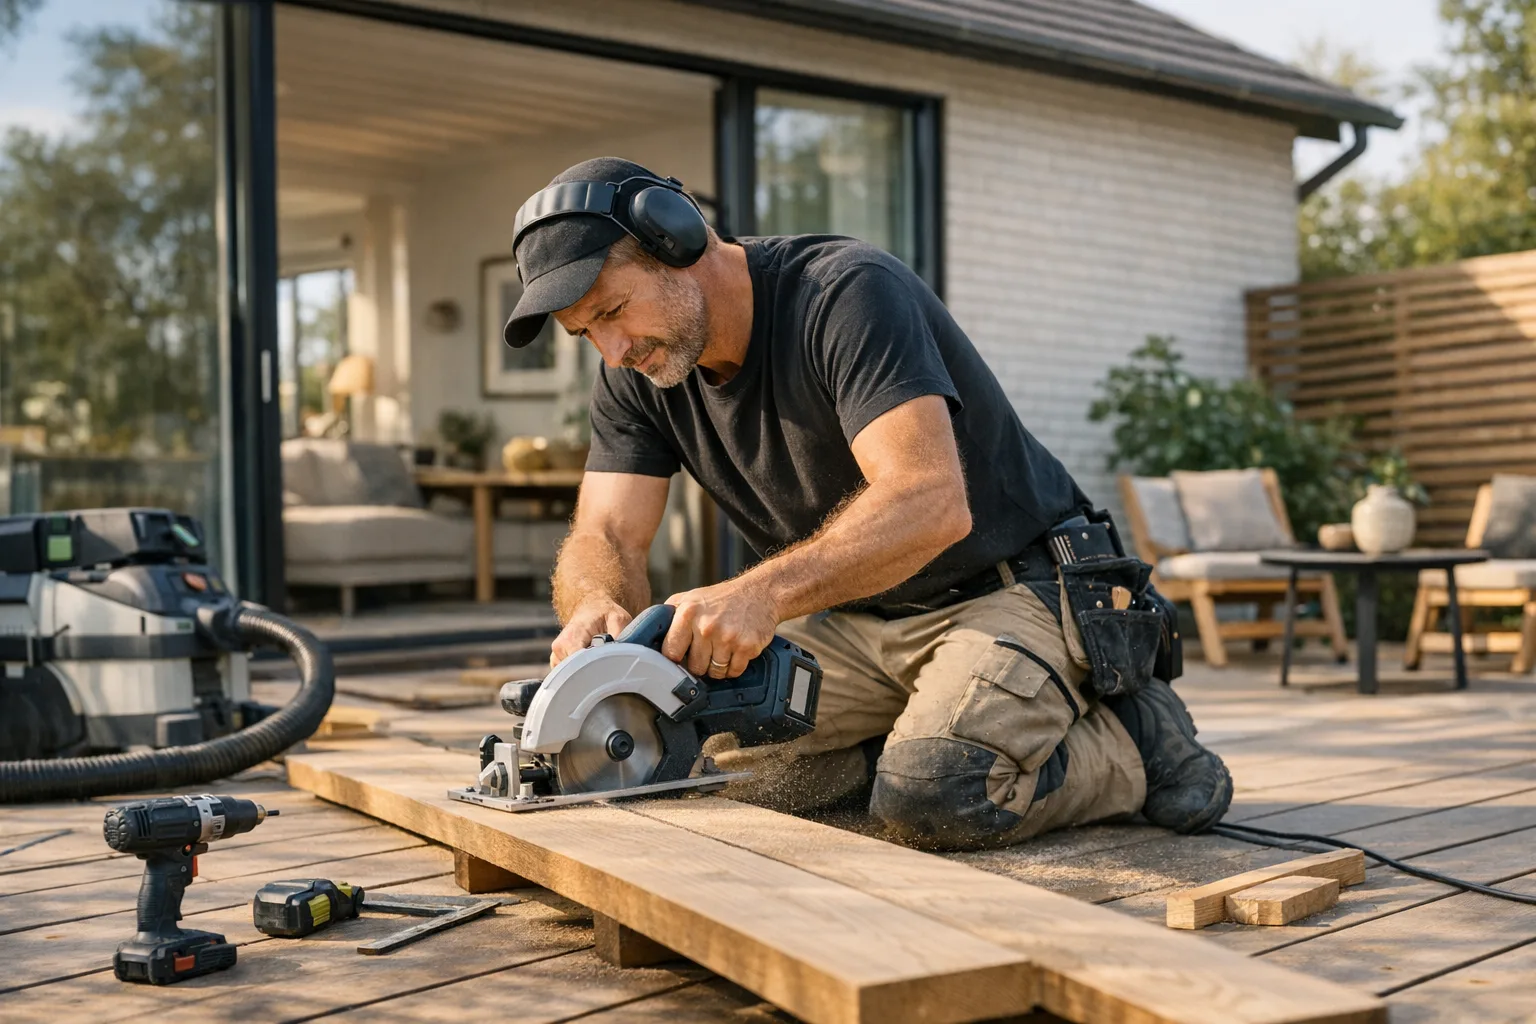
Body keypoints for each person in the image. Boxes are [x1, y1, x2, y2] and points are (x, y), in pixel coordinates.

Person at [504, 156, 1231, 850]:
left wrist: (763, 592)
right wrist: (596, 605)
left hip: (1011, 587)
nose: (613, 349)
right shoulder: (637, 373)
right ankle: (922, 734)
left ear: (678, 239)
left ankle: (1132, 736)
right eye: (585, 333)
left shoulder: (844, 293)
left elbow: (930, 501)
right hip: (859, 617)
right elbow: (606, 531)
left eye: (615, 310)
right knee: (686, 752)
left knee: (936, 794)